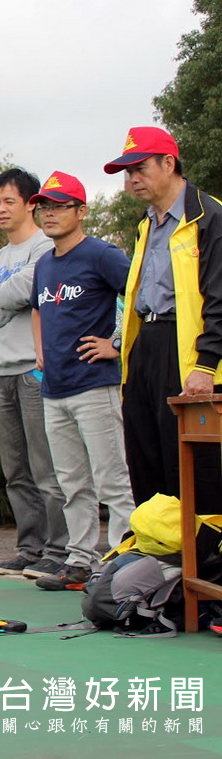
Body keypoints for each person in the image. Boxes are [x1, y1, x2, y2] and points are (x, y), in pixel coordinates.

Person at [104, 126, 222, 511]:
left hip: (185, 350)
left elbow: (218, 299)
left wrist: (206, 364)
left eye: (140, 169)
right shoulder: (146, 223)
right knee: (143, 454)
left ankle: (201, 559)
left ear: (169, 163)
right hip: (145, 346)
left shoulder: (209, 216)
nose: (133, 179)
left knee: (187, 462)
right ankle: (158, 555)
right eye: (127, 172)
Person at [28, 171, 135, 591]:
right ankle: (80, 559)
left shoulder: (101, 255)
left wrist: (117, 343)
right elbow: (38, 309)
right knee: (72, 482)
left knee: (112, 478)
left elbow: (141, 295)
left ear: (81, 210)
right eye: (43, 207)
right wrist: (41, 350)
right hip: (55, 389)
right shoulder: (44, 264)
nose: (49, 214)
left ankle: (123, 559)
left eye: (59, 206)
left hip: (96, 384)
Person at [0, 169, 68, 580]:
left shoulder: (45, 248)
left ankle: (59, 551)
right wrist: (10, 302)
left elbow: (21, 292)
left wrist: (3, 300)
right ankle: (29, 547)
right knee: (15, 471)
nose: (1, 210)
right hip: (1, 371)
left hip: (34, 370)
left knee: (47, 468)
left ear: (31, 203)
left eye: (9, 201)